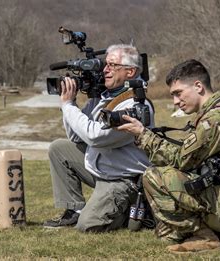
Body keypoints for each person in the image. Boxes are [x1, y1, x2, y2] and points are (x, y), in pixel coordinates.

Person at [117, 59, 220, 253]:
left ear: (198, 86)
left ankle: (205, 238)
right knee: (167, 231)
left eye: (178, 93)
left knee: (154, 176)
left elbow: (181, 160)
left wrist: (142, 134)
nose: (176, 102)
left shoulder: (214, 120)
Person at [43, 44, 155, 232]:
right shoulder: (105, 98)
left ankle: (134, 209)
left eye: (112, 65)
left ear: (130, 72)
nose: (105, 70)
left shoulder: (136, 104)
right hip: (102, 169)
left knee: (88, 226)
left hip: (123, 179)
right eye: (105, 65)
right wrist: (72, 103)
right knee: (59, 148)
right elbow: (75, 136)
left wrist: (68, 106)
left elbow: (96, 137)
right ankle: (73, 211)